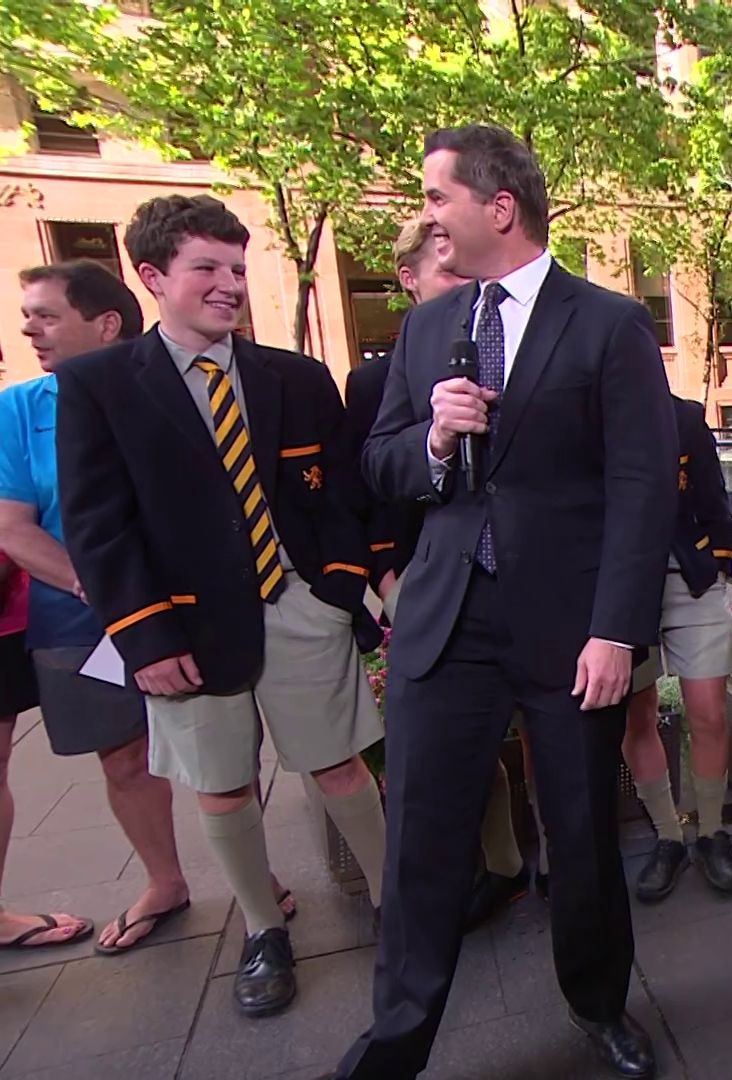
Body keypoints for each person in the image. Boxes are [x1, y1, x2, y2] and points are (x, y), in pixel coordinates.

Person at [338, 126, 676, 1079]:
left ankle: (600, 1004)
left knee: (582, 830)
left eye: (436, 197)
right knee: (420, 840)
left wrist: (616, 630)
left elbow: (642, 487)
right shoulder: (425, 327)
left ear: (500, 207)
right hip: (448, 622)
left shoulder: (608, 324)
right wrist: (436, 442)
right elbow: (381, 463)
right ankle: (394, 1045)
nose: (425, 216)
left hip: (570, 631)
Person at [56, 196, 387, 1016]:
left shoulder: (296, 378)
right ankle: (263, 928)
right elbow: (99, 526)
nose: (229, 284)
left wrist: (338, 587)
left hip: (299, 607)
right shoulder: (100, 386)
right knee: (223, 785)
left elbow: (341, 495)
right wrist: (145, 638)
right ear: (152, 275)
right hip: (186, 631)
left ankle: (400, 906)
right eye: (206, 267)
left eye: (237, 268)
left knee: (340, 765)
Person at [0, 261, 196, 956]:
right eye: (27, 316)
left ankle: (253, 877)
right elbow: (13, 527)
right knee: (124, 759)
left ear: (107, 323)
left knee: (218, 748)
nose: (30, 330)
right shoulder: (19, 410)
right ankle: (165, 881)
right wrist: (108, 589)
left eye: (47, 316)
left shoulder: (170, 389)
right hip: (78, 623)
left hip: (186, 607)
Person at [343, 221, 532, 935]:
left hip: (521, 586)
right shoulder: (374, 379)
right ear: (410, 280)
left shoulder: (521, 348)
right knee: (441, 753)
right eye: (450, 275)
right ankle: (442, 893)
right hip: (423, 588)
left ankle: (518, 866)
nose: (468, 288)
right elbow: (368, 482)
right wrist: (388, 576)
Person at [627, 395, 732, 900]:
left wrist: (718, 565)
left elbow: (713, 498)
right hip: (622, 587)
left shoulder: (685, 417)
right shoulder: (587, 415)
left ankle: (712, 832)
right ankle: (668, 837)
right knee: (638, 715)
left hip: (691, 578)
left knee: (708, 712)